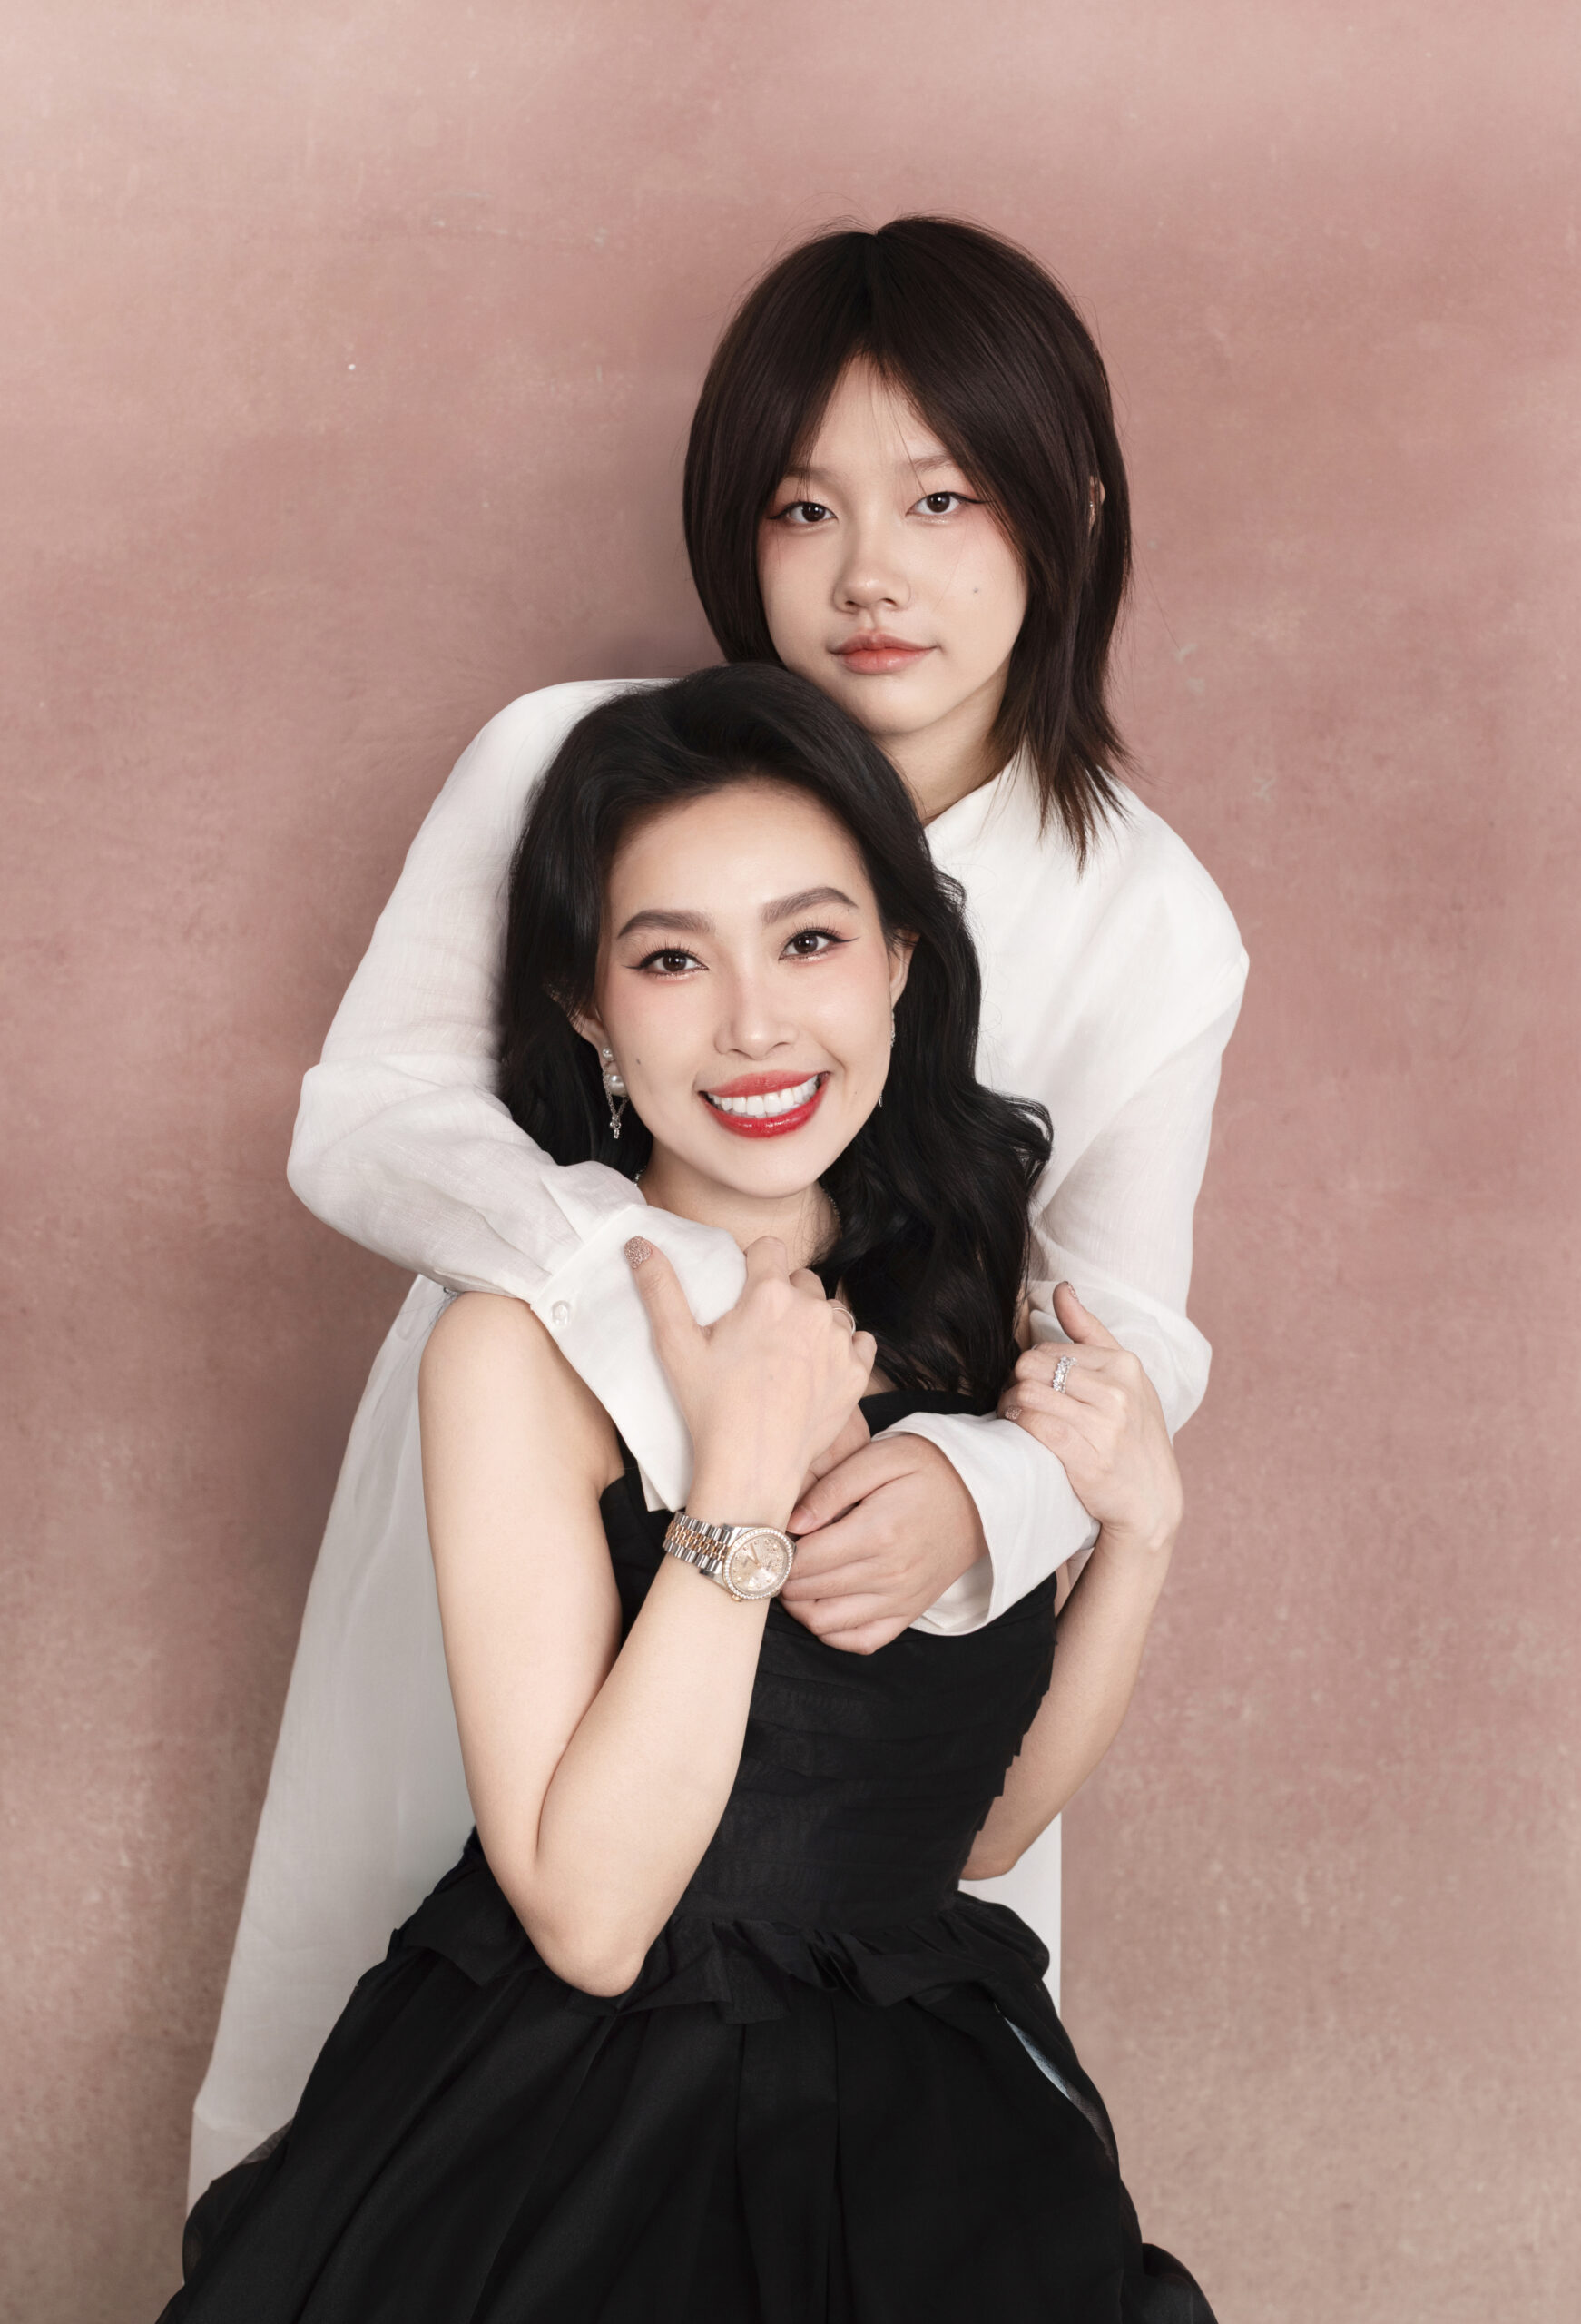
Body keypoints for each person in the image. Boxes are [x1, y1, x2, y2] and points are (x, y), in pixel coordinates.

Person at [188, 216, 1248, 2196]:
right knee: (448, 2030)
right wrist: (656, 1313)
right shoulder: (572, 764)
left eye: (942, 498)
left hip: (890, 1551)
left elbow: (1129, 1329)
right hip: (539, 1467)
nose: (871, 574)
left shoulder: (1149, 915)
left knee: (863, 2071)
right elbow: (374, 1120)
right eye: (801, 507)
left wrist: (977, 1491)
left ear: (1069, 505)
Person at [162, 666, 1214, 2323]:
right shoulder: (517, 1345)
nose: (752, 1026)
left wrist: (1137, 1538)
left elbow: (974, 1834)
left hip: (929, 2124)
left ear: (899, 963)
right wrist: (736, 1481)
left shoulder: (961, 1309)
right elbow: (589, 1918)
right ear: (587, 1009)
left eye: (809, 942)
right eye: (669, 960)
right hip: (580, 2147)